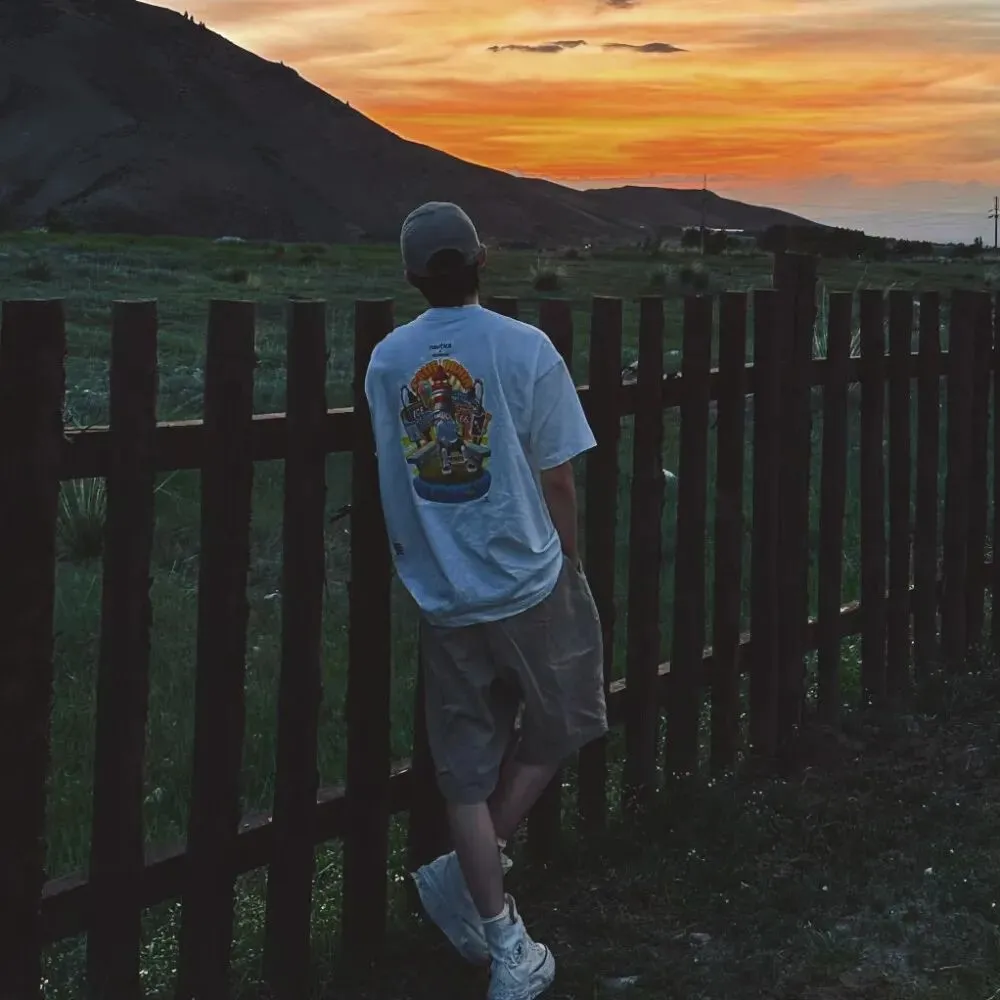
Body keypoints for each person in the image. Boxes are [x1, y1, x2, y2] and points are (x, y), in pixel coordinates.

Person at [363, 202, 608, 1000]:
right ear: (482, 261)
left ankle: (500, 936)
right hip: (528, 577)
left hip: (444, 591)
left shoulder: (389, 361)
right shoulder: (524, 347)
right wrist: (569, 556)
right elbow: (558, 474)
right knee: (564, 716)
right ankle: (463, 882)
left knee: (464, 774)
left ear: (411, 275)